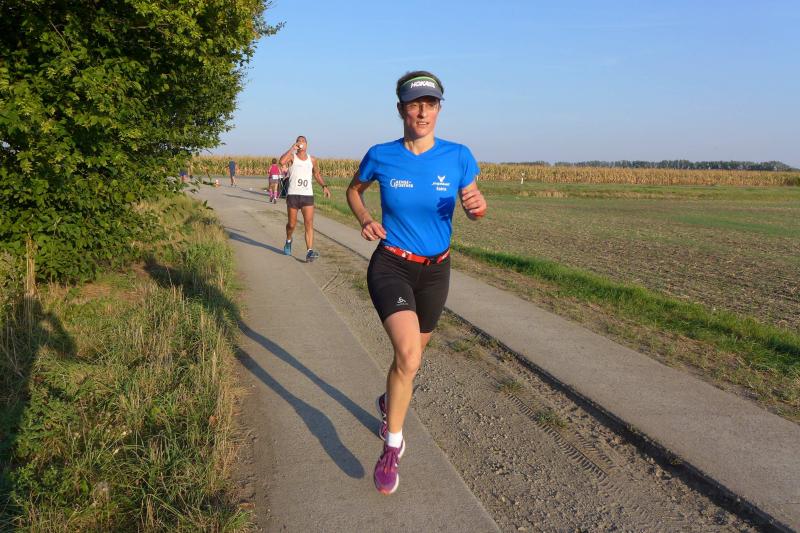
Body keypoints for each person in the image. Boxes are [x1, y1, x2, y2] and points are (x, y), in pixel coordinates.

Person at [346, 70, 487, 495]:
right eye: (414, 104)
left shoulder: (459, 156)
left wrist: (478, 208)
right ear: (401, 110)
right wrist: (365, 218)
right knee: (408, 356)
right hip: (392, 265)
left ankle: (389, 402)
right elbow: (354, 190)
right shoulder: (381, 155)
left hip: (436, 271)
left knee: (412, 360)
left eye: (431, 104)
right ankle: (392, 446)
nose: (423, 112)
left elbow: (474, 205)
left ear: (439, 109)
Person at [279, 136, 331, 262]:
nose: (301, 143)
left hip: (307, 195)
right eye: (299, 140)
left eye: (303, 141)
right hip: (293, 195)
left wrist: (324, 186)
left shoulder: (312, 159)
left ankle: (309, 252)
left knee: (309, 223)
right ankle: (288, 240)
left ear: (307, 144)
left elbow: (316, 174)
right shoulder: (292, 157)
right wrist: (292, 148)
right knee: (291, 224)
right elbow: (281, 162)